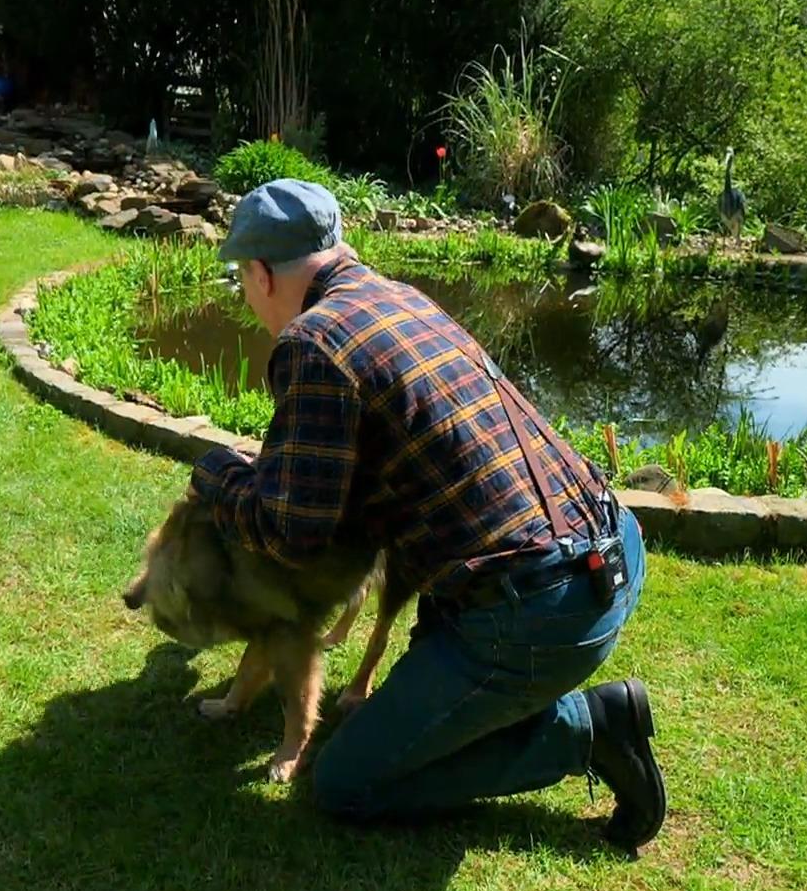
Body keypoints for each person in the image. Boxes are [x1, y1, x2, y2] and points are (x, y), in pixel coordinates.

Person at [192, 179, 667, 852]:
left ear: (263, 274)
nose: (246, 296)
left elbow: (289, 534)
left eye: (242, 278)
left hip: (537, 609)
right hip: (607, 548)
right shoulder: (400, 298)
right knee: (414, 720)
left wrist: (215, 473)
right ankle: (483, 703)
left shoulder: (313, 343)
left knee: (346, 783)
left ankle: (590, 729)